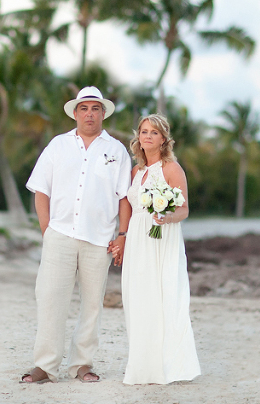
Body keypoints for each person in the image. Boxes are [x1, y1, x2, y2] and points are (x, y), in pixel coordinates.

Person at [21, 86, 131, 384]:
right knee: (50, 298)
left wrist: (122, 234)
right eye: (84, 108)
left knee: (92, 303)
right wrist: (47, 231)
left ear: (103, 113)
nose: (89, 114)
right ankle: (45, 366)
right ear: (75, 113)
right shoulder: (57, 146)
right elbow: (41, 190)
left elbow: (124, 198)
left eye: (95, 108)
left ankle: (82, 364)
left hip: (100, 240)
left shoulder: (117, 150)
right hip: (59, 235)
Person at [109, 113, 201, 385]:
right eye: (144, 131)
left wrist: (166, 216)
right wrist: (122, 237)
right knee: (139, 299)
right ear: (138, 137)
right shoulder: (135, 172)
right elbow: (126, 205)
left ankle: (169, 367)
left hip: (163, 239)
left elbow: (183, 209)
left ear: (163, 139)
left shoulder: (171, 168)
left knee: (165, 298)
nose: (147, 136)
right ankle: (143, 367)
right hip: (138, 238)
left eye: (154, 132)